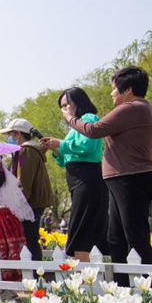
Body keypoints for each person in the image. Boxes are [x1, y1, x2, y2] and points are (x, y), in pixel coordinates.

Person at [62, 66, 152, 283]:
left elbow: (95, 130)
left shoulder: (132, 108)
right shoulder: (139, 109)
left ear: (128, 90)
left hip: (130, 178)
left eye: (114, 89)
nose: (112, 93)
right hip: (120, 179)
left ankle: (147, 287)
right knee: (116, 237)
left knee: (136, 236)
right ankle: (123, 286)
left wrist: (70, 119)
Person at [39, 88, 107, 261]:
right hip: (76, 179)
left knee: (82, 227)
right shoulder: (74, 128)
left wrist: (60, 144)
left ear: (78, 102)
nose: (64, 109)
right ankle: (86, 273)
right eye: (62, 106)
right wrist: (55, 148)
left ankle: (84, 275)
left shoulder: (89, 119)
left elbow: (86, 146)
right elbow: (64, 159)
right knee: (82, 224)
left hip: (88, 178)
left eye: (67, 104)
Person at [0, 118, 52, 261]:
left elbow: (24, 183)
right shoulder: (26, 151)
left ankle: (34, 274)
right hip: (32, 202)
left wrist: (15, 205)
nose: (9, 138)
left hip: (29, 204)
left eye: (10, 135)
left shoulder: (26, 152)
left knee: (29, 240)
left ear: (18, 135)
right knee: (30, 239)